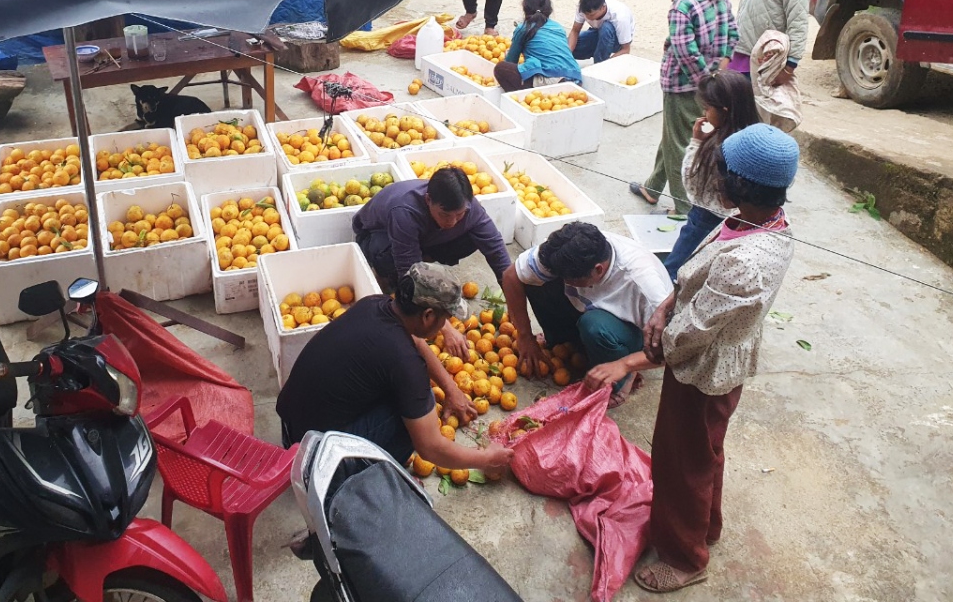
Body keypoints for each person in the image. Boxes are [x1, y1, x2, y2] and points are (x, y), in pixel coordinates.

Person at [585, 124, 799, 592]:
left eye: (721, 170)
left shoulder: (748, 262)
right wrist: (666, 303)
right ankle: (706, 525)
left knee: (681, 461)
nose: (715, 177)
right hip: (706, 358)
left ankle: (686, 556)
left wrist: (639, 358)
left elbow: (695, 333)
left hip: (705, 371)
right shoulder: (752, 218)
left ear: (741, 183)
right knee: (704, 453)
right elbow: (694, 283)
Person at [276, 262, 515, 477]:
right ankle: (367, 480)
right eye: (445, 320)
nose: (445, 326)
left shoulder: (374, 304)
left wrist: (452, 389)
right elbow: (430, 447)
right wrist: (486, 459)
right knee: (417, 412)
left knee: (406, 395)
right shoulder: (405, 363)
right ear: (428, 315)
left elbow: (416, 341)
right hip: (315, 461)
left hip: (292, 429)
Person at [501, 221, 672, 407]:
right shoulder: (565, 251)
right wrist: (525, 336)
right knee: (538, 280)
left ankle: (621, 379)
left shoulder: (644, 288)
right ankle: (566, 344)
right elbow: (512, 276)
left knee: (594, 326)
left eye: (572, 279)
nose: (566, 281)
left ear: (598, 270)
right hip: (586, 306)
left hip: (631, 330)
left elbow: (675, 349)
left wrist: (625, 365)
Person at [352, 167, 512, 359]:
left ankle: (424, 260)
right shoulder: (405, 211)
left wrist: (516, 307)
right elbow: (410, 273)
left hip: (424, 237)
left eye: (459, 215)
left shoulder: (468, 208)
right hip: (376, 237)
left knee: (473, 236)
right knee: (392, 264)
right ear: (428, 200)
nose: (452, 221)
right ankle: (385, 273)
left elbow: (497, 252)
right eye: (445, 215)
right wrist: (446, 328)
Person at [631, 0, 738, 213]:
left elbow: (684, 51)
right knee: (673, 133)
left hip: (684, 85)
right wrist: (719, 70)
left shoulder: (683, 6)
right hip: (710, 82)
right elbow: (732, 32)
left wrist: (703, 81)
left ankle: (684, 207)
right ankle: (653, 186)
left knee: (681, 144)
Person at [662, 70, 760, 281]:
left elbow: (691, 186)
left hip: (705, 216)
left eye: (707, 108)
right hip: (738, 220)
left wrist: (696, 143)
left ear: (724, 111)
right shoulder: (753, 139)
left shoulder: (717, 149)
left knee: (674, 268)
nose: (704, 114)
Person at [492, 0, 583, 92]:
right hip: (575, 77)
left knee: (501, 69)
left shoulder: (523, 28)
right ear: (549, 10)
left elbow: (511, 60)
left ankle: (523, 98)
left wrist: (508, 54)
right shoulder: (558, 27)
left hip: (551, 79)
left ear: (525, 10)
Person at [568, 0, 635, 63]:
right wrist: (567, 54)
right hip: (597, 32)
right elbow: (575, 31)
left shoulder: (620, 16)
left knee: (606, 28)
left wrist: (604, 65)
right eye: (585, 14)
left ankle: (599, 63)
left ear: (603, 7)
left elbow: (626, 49)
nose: (587, 17)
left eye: (591, 15)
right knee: (563, 47)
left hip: (617, 41)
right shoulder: (583, 6)